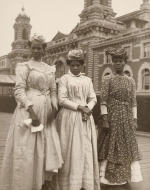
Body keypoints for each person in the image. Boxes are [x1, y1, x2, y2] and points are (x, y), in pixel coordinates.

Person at [0, 34, 63, 190]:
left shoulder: (50, 69)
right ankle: (24, 183)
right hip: (28, 111)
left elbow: (53, 90)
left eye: (39, 48)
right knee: (26, 147)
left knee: (45, 146)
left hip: (46, 110)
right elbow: (19, 90)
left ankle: (41, 181)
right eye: (33, 47)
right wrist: (32, 112)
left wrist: (54, 109)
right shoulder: (24, 66)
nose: (36, 50)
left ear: (44, 49)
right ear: (30, 48)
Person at [97, 47, 143, 190]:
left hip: (126, 118)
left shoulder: (130, 81)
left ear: (124, 62)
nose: (118, 64)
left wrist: (134, 120)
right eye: (115, 61)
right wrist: (105, 119)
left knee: (125, 146)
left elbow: (133, 102)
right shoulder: (107, 79)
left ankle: (123, 177)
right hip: (111, 116)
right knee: (110, 146)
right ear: (112, 63)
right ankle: (107, 178)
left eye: (120, 61)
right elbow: (103, 100)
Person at [56, 49, 100, 190]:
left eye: (78, 65)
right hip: (69, 117)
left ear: (82, 65)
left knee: (84, 148)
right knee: (69, 148)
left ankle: (83, 182)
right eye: (72, 65)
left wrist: (88, 107)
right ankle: (68, 183)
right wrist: (80, 107)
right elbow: (62, 99)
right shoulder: (64, 79)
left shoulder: (87, 80)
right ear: (69, 65)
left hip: (85, 117)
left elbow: (93, 97)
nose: (75, 68)